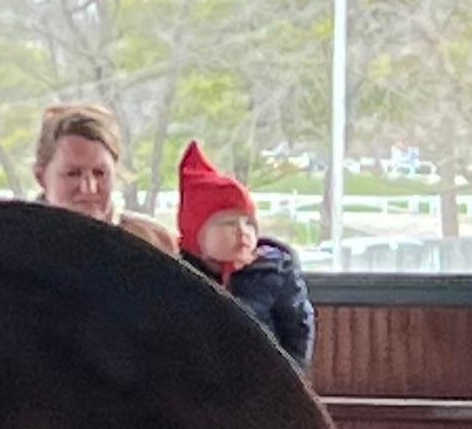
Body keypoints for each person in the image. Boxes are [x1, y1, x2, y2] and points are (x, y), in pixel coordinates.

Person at [176, 138, 316, 367]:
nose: (242, 232)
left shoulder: (275, 272)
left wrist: (292, 375)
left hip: (266, 383)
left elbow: (298, 329)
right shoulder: (179, 275)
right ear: (196, 235)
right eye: (228, 224)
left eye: (249, 224)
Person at [28, 95, 171, 250]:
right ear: (41, 178)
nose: (89, 187)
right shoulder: (14, 243)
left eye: (100, 173)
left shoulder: (150, 241)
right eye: (73, 173)